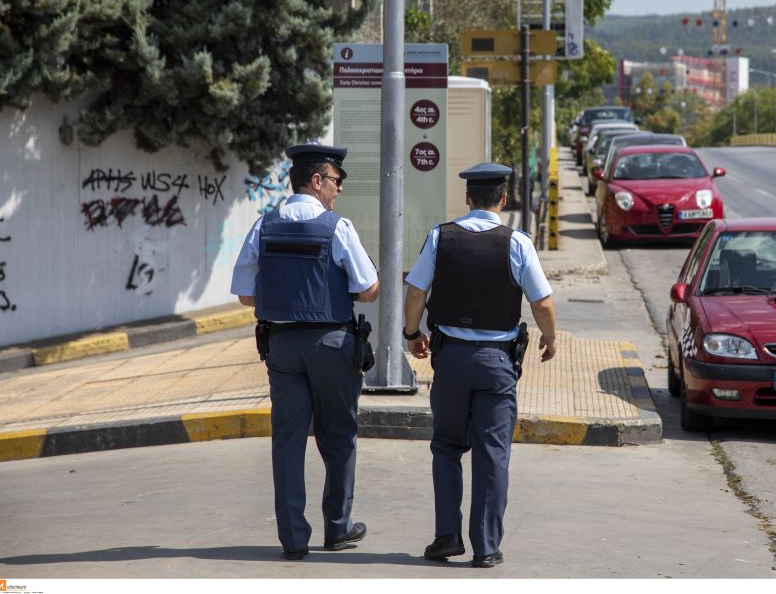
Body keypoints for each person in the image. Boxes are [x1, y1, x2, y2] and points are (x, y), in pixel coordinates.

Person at [403, 162, 557, 569]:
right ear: (503, 199)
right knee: (492, 453)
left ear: (468, 198)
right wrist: (551, 337)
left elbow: (416, 292)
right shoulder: (517, 243)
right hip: (497, 363)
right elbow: (541, 302)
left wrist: (412, 334)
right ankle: (486, 547)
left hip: (451, 360)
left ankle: (446, 537)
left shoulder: (441, 237)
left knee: (446, 446)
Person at [230, 144, 379, 561]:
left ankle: (294, 539)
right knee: (339, 434)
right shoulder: (337, 227)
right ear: (317, 181)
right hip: (331, 343)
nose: (339, 189)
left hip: (281, 346)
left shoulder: (263, 225)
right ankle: (338, 528)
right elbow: (369, 288)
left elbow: (245, 295)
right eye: (336, 180)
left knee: (288, 441)